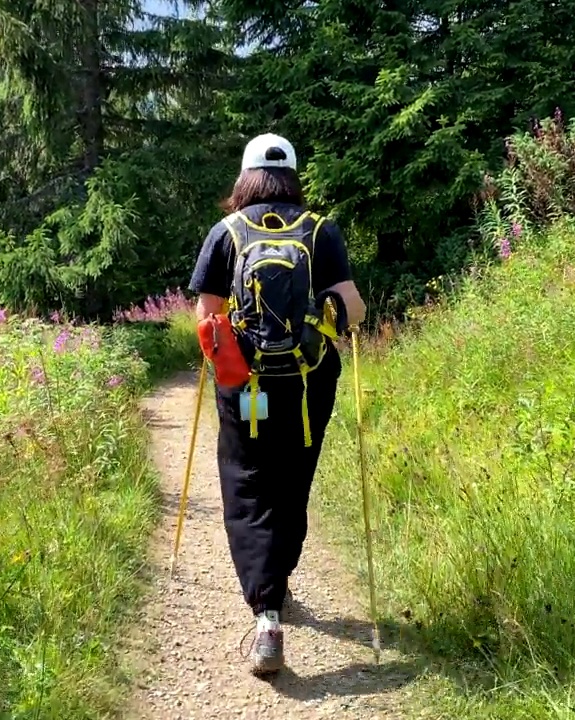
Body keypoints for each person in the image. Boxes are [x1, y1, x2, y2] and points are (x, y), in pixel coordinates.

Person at [187, 133, 366, 677]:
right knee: (292, 483)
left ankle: (266, 611)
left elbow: (207, 317)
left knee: (247, 484)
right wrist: (326, 316)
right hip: (306, 386)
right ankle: (279, 584)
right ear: (292, 174)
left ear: (244, 177)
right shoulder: (319, 231)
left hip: (244, 385)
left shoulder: (225, 233)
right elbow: (352, 309)